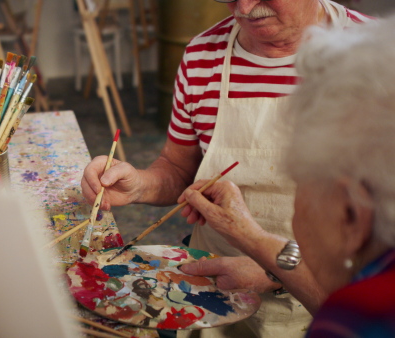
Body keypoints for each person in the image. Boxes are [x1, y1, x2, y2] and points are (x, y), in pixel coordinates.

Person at [81, 0, 372, 336]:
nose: (245, 7)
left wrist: (273, 269)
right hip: (213, 286)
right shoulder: (203, 56)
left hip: (329, 306)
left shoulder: (375, 56)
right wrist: (140, 185)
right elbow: (180, 169)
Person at [179, 15, 395, 337]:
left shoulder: (353, 320)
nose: (246, 8)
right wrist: (249, 236)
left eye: (300, 185)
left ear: (351, 215)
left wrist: (269, 270)